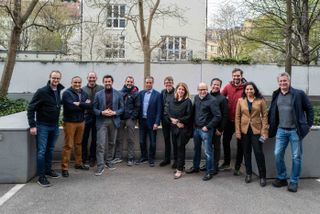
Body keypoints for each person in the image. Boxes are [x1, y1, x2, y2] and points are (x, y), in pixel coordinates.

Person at [269, 72, 314, 192]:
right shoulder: (276, 94)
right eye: (281, 81)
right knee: (277, 154)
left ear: (289, 81)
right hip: (281, 130)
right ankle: (282, 177)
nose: (283, 83)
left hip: (295, 131)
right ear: (278, 82)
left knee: (296, 157)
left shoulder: (298, 94)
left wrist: (309, 125)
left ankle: (294, 181)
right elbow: (273, 111)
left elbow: (309, 109)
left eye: (285, 81)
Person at [27, 70, 64, 187]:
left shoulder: (58, 91)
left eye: (58, 78)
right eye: (54, 78)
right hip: (42, 125)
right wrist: (32, 125)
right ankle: (41, 176)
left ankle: (48, 170)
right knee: (41, 151)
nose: (56, 80)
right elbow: (30, 108)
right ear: (50, 78)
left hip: (54, 126)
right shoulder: (41, 92)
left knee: (50, 149)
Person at [186, 82, 221, 181]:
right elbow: (194, 112)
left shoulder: (212, 100)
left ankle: (209, 172)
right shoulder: (196, 98)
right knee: (196, 149)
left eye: (204, 89)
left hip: (206, 130)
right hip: (196, 129)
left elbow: (217, 116)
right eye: (200, 89)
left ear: (207, 89)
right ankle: (196, 167)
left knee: (208, 152)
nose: (203, 91)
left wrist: (208, 126)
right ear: (197, 90)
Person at [235, 82, 268, 187]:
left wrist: (264, 131)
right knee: (246, 153)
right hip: (244, 131)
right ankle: (248, 174)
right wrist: (238, 131)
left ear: (255, 90)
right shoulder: (241, 101)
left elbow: (264, 116)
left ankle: (263, 176)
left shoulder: (260, 100)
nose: (249, 91)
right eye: (247, 89)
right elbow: (237, 117)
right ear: (244, 90)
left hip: (256, 131)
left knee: (258, 153)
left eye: (251, 89)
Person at [61, 76, 92, 178]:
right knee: (68, 145)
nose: (77, 84)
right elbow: (70, 107)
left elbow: (90, 106)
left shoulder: (83, 93)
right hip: (70, 122)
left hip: (81, 121)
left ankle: (79, 164)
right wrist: (83, 105)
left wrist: (79, 104)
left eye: (79, 82)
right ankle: (65, 168)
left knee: (78, 144)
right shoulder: (67, 93)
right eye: (75, 82)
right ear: (71, 82)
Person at [93, 75, 124, 176]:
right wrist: (102, 112)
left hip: (114, 121)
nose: (107, 83)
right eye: (105, 81)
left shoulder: (118, 94)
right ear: (103, 82)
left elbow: (122, 109)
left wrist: (115, 113)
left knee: (112, 143)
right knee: (100, 144)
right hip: (102, 121)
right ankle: (100, 166)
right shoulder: (98, 94)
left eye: (109, 81)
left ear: (112, 82)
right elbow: (94, 109)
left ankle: (109, 161)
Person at [220, 68, 247, 175]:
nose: (236, 77)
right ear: (232, 76)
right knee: (225, 141)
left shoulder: (246, 87)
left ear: (241, 76)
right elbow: (220, 97)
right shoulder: (228, 86)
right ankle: (226, 163)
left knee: (240, 144)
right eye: (234, 76)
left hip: (241, 121)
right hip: (229, 120)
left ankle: (237, 166)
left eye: (238, 75)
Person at [200, 78, 228, 172]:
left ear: (220, 86)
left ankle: (214, 166)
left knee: (216, 148)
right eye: (214, 84)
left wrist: (220, 129)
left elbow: (224, 116)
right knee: (207, 148)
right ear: (211, 85)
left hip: (216, 129)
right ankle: (208, 164)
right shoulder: (205, 96)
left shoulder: (222, 99)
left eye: (218, 85)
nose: (215, 86)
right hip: (206, 127)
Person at [167, 82, 193, 179]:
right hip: (174, 128)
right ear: (176, 90)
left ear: (185, 91)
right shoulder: (172, 101)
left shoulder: (188, 102)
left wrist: (178, 120)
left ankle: (179, 170)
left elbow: (189, 116)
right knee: (175, 147)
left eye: (183, 89)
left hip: (183, 129)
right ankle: (180, 165)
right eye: (179, 89)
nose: (181, 91)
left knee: (180, 148)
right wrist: (173, 120)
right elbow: (168, 112)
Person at [113, 76, 140, 166]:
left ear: (133, 83)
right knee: (119, 138)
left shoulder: (135, 93)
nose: (129, 83)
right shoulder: (120, 92)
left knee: (130, 139)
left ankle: (130, 158)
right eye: (128, 81)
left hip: (130, 119)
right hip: (120, 118)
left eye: (131, 82)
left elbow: (137, 107)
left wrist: (133, 117)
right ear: (125, 82)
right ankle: (118, 157)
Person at [137, 76, 162, 167]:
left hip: (152, 122)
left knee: (152, 142)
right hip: (142, 121)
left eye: (150, 82)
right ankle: (144, 157)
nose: (148, 84)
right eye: (147, 82)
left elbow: (159, 110)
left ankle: (151, 158)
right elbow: (138, 107)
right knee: (141, 141)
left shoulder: (158, 95)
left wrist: (157, 122)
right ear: (145, 83)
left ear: (152, 83)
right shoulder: (141, 93)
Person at [81, 72, 104, 167]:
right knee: (84, 138)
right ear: (87, 78)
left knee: (95, 139)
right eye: (90, 77)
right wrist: (84, 103)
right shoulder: (82, 89)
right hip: (86, 117)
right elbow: (80, 103)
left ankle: (92, 158)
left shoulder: (101, 88)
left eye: (93, 77)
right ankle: (84, 158)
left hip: (97, 117)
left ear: (96, 78)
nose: (92, 79)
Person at [159, 76, 175, 168]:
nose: (168, 84)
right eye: (166, 83)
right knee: (166, 140)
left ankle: (176, 160)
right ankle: (167, 159)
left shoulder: (177, 92)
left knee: (175, 141)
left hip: (173, 120)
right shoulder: (163, 92)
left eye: (170, 82)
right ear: (164, 84)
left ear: (172, 83)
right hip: (164, 120)